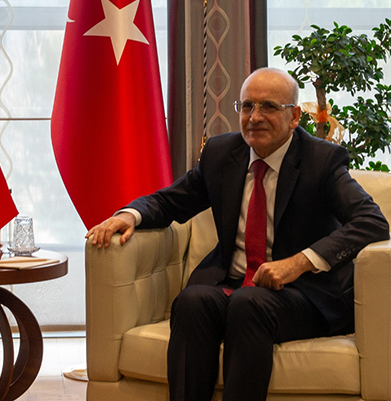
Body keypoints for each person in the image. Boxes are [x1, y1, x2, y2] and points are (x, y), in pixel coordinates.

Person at [86, 67, 389, 401]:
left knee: (248, 305)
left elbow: (371, 221)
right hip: (232, 284)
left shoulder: (321, 160)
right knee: (192, 302)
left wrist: (297, 263)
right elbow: (171, 201)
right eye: (247, 106)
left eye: (268, 107)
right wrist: (129, 215)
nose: (255, 117)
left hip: (304, 294)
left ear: (294, 117)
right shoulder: (221, 154)